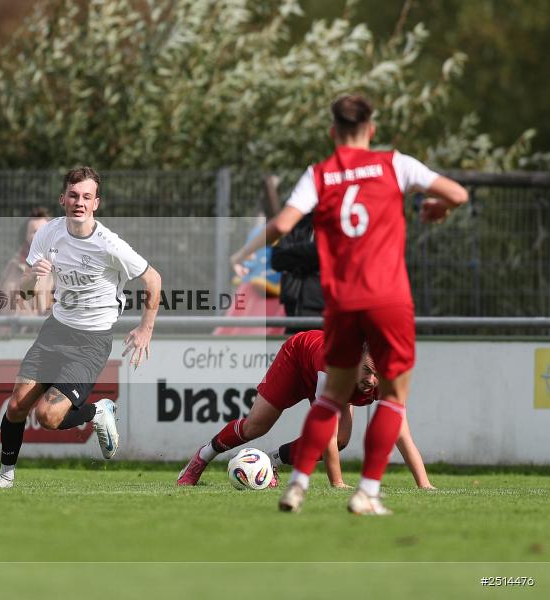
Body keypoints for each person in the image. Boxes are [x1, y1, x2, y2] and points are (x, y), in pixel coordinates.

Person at [230, 95, 467, 514]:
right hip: (388, 298)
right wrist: (439, 207)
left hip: (342, 303)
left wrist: (246, 251)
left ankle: (298, 484)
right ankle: (366, 493)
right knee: (392, 399)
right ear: (371, 130)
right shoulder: (396, 164)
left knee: (329, 399)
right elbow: (458, 193)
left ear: (332, 132)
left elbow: (283, 224)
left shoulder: (320, 174)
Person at [0, 167, 162, 488]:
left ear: (96, 203)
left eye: (87, 197)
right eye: (74, 195)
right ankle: (5, 477)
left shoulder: (110, 245)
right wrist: (32, 275)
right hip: (55, 330)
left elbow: (153, 278)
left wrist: (145, 328)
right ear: (62, 199)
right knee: (16, 406)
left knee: (48, 418)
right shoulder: (48, 233)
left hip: (91, 342)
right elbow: (24, 290)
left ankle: (96, 412)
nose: (79, 202)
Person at [176, 330, 433, 489]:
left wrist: (424, 485)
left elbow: (401, 435)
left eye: (378, 374)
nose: (372, 381)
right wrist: (338, 483)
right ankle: (201, 458)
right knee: (256, 426)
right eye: (366, 370)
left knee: (342, 441)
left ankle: (272, 461)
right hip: (297, 358)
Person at [0, 207, 53, 332]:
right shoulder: (13, 265)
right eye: (34, 231)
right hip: (5, 341)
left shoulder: (58, 268)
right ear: (26, 236)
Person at [271, 212, 323, 333]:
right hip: (295, 314)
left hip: (325, 314)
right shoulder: (300, 225)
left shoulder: (340, 225)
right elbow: (277, 259)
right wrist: (310, 252)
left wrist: (296, 254)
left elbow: (324, 250)